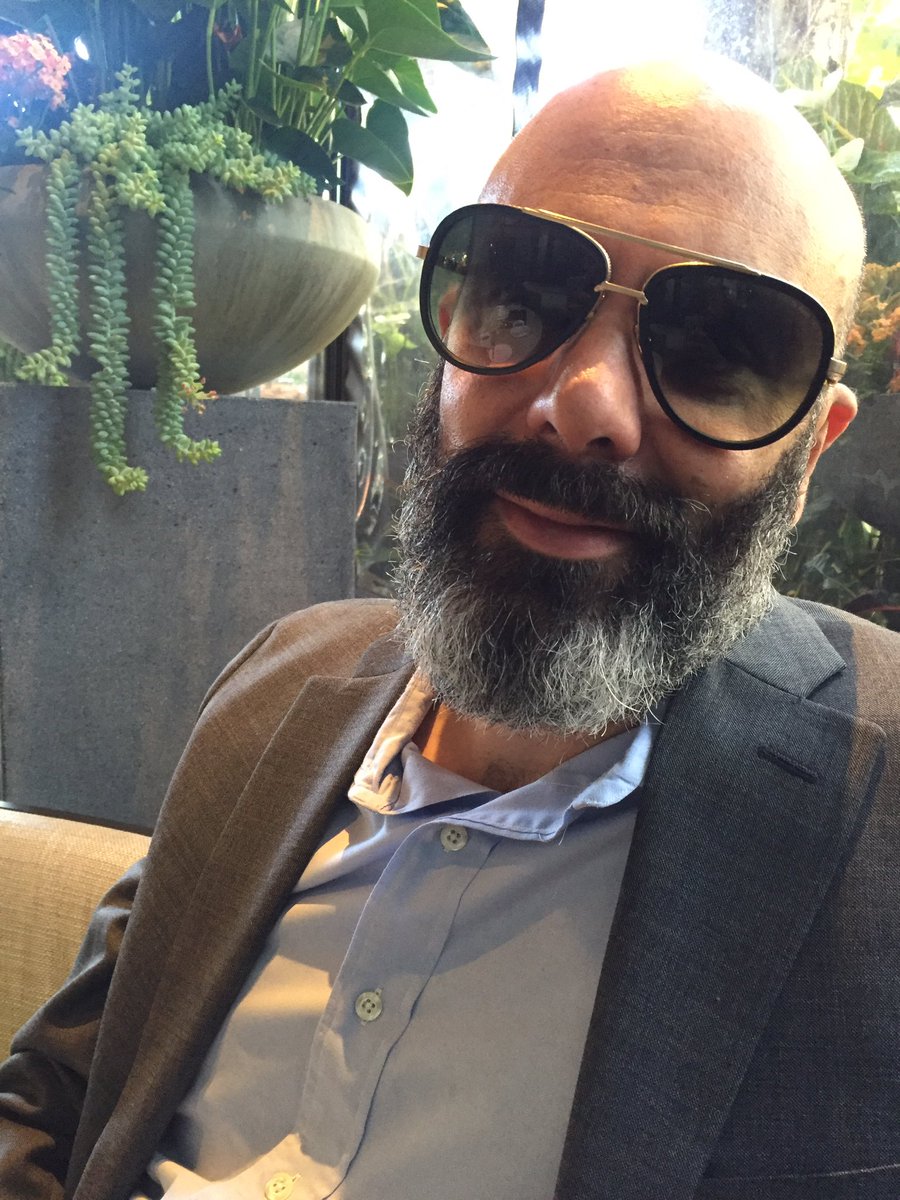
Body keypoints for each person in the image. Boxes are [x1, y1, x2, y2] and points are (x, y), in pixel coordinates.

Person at [1, 54, 898, 1200]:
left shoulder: (880, 802)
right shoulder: (280, 681)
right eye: (525, 297)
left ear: (811, 449)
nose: (582, 407)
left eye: (717, 353)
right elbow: (56, 1098)